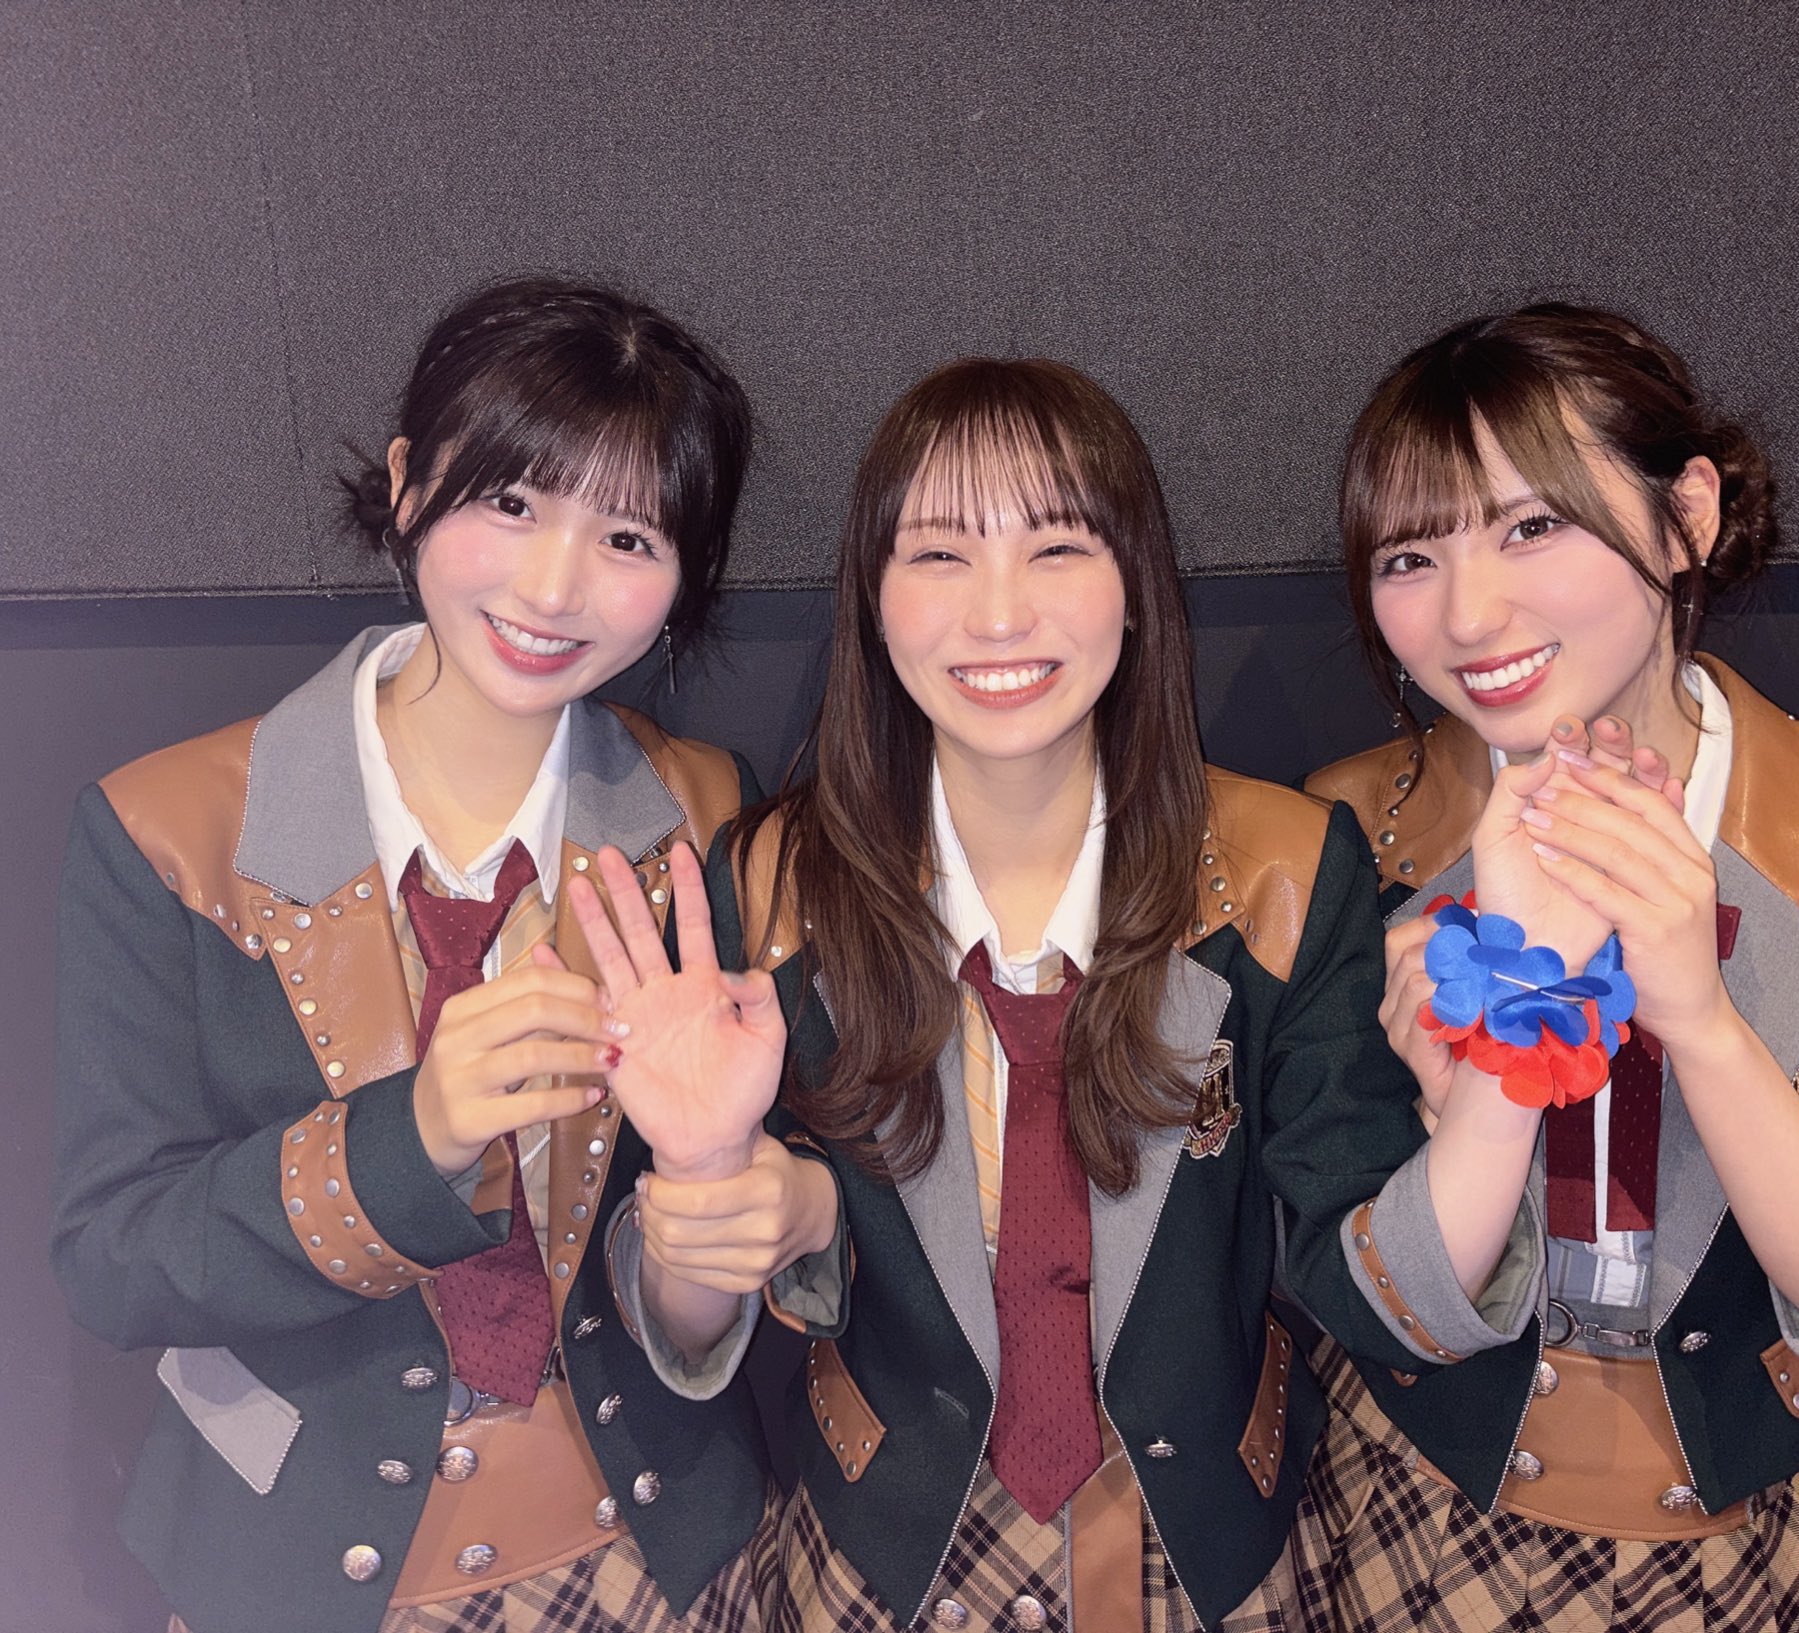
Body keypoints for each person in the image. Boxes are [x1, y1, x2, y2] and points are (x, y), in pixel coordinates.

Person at [581, 356, 1432, 1631]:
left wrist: (1482, 1117)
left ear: (1135, 587)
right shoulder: (773, 885)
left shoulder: (1284, 869)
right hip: (886, 1540)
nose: (997, 613)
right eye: (938, 554)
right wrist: (713, 1184)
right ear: (872, 602)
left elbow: (1356, 1244)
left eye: (1056, 547)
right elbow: (692, 1310)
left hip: (1204, 1539)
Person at [50, 276, 834, 1633]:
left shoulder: (703, 814)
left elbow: (723, 1253)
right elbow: (114, 1257)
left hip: (656, 1551)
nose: (552, 587)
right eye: (510, 503)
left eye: (627, 535)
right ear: (409, 482)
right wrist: (404, 1139)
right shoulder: (171, 833)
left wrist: (737, 1190)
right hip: (293, 1567)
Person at [1306, 302, 1799, 1628]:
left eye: (1531, 526)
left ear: (1685, 514)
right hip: (1399, 1499)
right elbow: (1370, 1298)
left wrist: (1700, 1017)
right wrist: (1483, 1059)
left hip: (1725, 1544)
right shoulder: (1345, 839)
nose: (1468, 612)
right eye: (1409, 554)